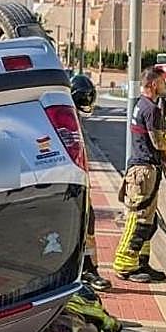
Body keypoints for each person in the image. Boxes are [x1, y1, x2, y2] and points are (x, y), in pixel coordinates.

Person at [112, 66, 166, 283]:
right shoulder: (152, 110)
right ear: (154, 84)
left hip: (142, 169)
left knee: (149, 222)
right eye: (163, 82)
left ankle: (141, 262)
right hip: (144, 171)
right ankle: (125, 265)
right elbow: (158, 142)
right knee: (138, 221)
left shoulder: (141, 105)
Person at [69, 73, 111, 291]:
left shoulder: (72, 116)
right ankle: (85, 271)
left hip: (78, 183)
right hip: (70, 185)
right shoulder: (67, 118)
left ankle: (89, 269)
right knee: (80, 227)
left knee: (88, 225)